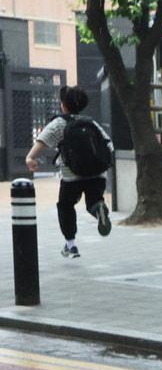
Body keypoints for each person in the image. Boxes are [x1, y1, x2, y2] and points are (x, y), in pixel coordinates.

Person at [26, 86, 113, 259]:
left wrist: (30, 158)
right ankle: (99, 209)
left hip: (72, 176)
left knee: (65, 206)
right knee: (94, 201)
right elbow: (109, 145)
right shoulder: (90, 122)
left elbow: (42, 140)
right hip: (97, 174)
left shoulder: (59, 123)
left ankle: (71, 246)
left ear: (63, 105)